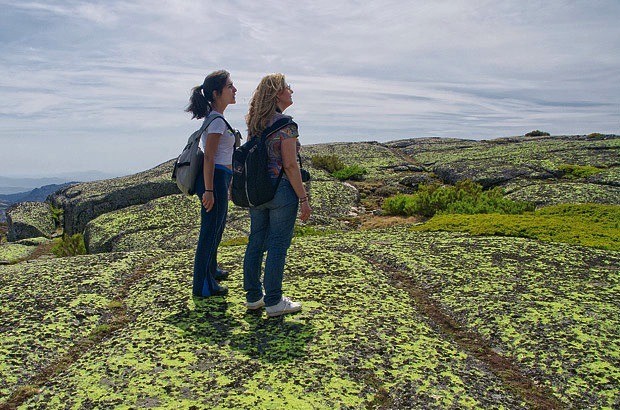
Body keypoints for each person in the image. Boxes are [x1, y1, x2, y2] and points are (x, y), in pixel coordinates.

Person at [243, 73, 312, 317]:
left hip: (257, 191)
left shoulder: (254, 124)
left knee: (256, 241)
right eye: (287, 87)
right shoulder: (287, 126)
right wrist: (303, 199)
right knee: (278, 245)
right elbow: (290, 165)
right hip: (282, 191)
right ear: (277, 93)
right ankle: (274, 301)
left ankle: (254, 297)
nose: (292, 91)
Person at [185, 70, 237, 297]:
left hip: (219, 177)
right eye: (230, 87)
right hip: (214, 178)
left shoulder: (217, 118)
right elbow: (209, 156)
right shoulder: (216, 121)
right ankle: (203, 286)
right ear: (217, 93)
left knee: (217, 228)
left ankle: (212, 270)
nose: (234, 90)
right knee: (210, 231)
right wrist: (208, 190)